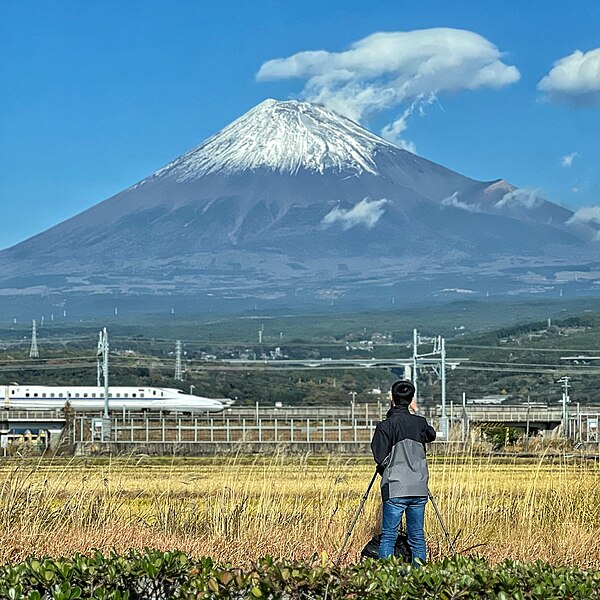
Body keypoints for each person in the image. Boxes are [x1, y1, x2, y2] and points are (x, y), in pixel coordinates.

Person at [371, 379, 436, 566]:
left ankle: (387, 579)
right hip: (419, 488)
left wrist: (386, 468)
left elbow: (379, 456)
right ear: (411, 399)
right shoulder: (420, 423)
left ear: (391, 398)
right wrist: (416, 411)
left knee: (389, 537)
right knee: (417, 537)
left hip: (395, 487)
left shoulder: (385, 426)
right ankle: (419, 579)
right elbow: (431, 434)